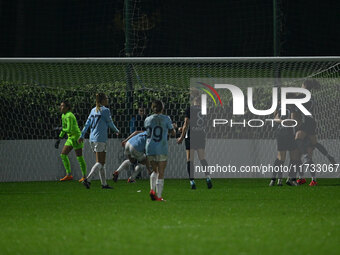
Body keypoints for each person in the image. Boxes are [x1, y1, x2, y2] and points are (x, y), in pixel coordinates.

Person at [78, 93, 119, 189]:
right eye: (106, 98)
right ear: (103, 100)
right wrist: (117, 131)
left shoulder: (93, 110)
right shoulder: (105, 110)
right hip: (100, 139)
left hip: (92, 139)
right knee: (100, 162)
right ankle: (87, 180)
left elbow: (87, 124)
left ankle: (104, 184)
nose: (108, 100)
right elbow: (110, 123)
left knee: (101, 163)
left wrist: (82, 135)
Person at [177, 96, 213, 189]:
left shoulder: (190, 109)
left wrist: (181, 137)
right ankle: (208, 177)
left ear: (194, 101)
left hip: (191, 135)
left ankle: (192, 181)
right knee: (202, 157)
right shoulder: (204, 110)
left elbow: (186, 123)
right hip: (200, 135)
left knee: (190, 159)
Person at [145, 100, 176, 201]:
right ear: (162, 108)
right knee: (161, 172)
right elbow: (173, 133)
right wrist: (174, 128)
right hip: (161, 147)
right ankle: (159, 196)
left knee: (155, 171)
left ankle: (152, 190)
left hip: (149, 148)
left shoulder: (147, 119)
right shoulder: (166, 118)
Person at [55, 101, 87, 182]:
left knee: (79, 157)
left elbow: (68, 129)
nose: (60, 107)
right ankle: (69, 175)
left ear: (67, 107)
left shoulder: (69, 115)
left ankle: (84, 176)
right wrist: (59, 138)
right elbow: (64, 128)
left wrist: (60, 129)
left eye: (62, 106)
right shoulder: (63, 115)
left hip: (76, 137)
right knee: (63, 155)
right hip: (70, 138)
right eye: (60, 105)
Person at [269, 102, 300, 186]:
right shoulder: (292, 106)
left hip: (280, 133)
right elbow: (292, 121)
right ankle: (290, 179)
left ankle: (274, 180)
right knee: (293, 156)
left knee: (280, 158)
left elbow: (275, 118)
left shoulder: (279, 105)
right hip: (288, 134)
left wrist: (281, 121)